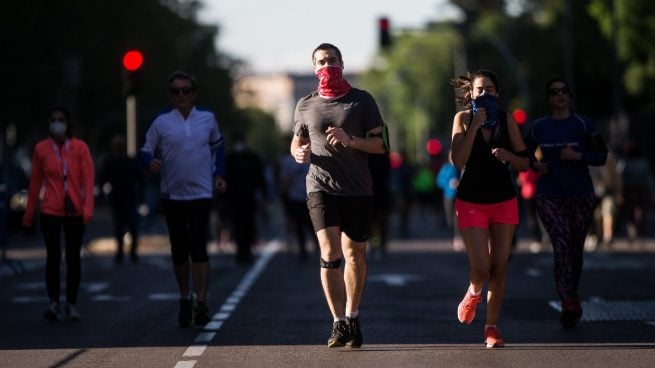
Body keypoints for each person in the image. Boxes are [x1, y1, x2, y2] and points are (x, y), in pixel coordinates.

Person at [290, 43, 387, 349]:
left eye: (332, 60)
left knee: (355, 254)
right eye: (321, 62)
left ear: (342, 63)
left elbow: (381, 145)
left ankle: (353, 315)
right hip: (320, 186)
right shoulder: (305, 105)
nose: (327, 66)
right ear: (314, 67)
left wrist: (351, 140)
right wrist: (298, 152)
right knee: (330, 252)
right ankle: (338, 323)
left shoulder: (362, 101)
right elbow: (296, 142)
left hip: (357, 189)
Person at [449, 70, 529, 348]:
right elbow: (457, 161)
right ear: (471, 94)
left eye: (490, 89)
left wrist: (509, 156)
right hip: (471, 201)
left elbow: (524, 162)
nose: (485, 94)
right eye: (479, 90)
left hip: (503, 200)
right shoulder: (462, 119)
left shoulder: (507, 121)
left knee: (500, 266)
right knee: (481, 267)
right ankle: (473, 292)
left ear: (498, 93)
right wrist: (474, 127)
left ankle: (491, 328)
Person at [139, 71, 226, 327]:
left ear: (194, 93)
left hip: (201, 193)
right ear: (170, 95)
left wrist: (220, 174)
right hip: (172, 194)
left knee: (199, 249)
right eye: (176, 91)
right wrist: (149, 162)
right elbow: (144, 151)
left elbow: (218, 148)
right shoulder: (161, 122)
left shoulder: (207, 119)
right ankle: (183, 298)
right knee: (179, 252)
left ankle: (201, 301)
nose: (181, 95)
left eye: (186, 90)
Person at [524, 77, 608, 329]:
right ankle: (567, 300)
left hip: (580, 195)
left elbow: (602, 155)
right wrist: (534, 164)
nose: (560, 95)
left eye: (564, 91)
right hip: (549, 195)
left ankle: (572, 293)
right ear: (549, 98)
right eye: (554, 92)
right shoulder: (539, 127)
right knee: (561, 245)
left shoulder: (584, 124)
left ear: (570, 97)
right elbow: (522, 152)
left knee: (574, 250)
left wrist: (578, 156)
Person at [22, 105, 95, 322]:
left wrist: (87, 208)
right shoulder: (41, 149)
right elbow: (35, 182)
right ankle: (53, 303)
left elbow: (88, 180)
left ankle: (71, 304)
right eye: (53, 120)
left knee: (73, 258)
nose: (57, 123)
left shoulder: (80, 148)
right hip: (50, 210)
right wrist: (29, 212)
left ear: (68, 122)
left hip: (74, 211)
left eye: (61, 119)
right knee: (53, 257)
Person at [100, 136, 144, 264]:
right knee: (126, 227)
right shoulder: (124, 162)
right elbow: (140, 180)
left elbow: (103, 179)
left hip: (124, 199)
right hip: (123, 199)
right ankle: (127, 253)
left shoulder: (116, 162)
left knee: (126, 227)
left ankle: (126, 253)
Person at [224, 132, 266, 265]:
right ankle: (241, 250)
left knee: (248, 224)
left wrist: (262, 195)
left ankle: (246, 251)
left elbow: (260, 178)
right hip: (234, 198)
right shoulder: (229, 159)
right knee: (237, 225)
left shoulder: (251, 158)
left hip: (248, 197)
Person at [278, 150, 317, 260]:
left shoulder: (313, 158)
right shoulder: (288, 161)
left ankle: (319, 246)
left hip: (312, 197)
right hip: (296, 197)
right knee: (299, 225)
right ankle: (302, 249)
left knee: (314, 225)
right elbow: (284, 180)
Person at [436, 159, 463, 251]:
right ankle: (452, 235)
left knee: (457, 217)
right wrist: (449, 183)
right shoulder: (446, 168)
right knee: (449, 218)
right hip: (448, 196)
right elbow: (439, 181)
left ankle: (457, 237)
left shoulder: (460, 167)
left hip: (459, 196)